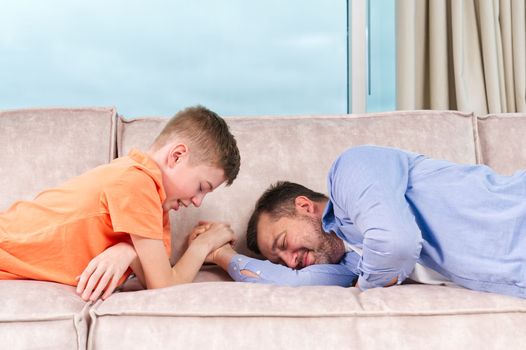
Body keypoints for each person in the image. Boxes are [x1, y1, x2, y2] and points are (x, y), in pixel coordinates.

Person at [199, 145, 526, 299]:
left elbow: (396, 244)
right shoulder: (351, 265)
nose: (291, 261)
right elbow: (294, 285)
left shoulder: (350, 171)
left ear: (305, 206)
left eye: (283, 244)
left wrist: (365, 288)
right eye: (280, 260)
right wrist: (220, 255)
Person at [0, 105, 240, 301]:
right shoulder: (138, 183)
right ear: (176, 156)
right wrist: (205, 243)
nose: (198, 202)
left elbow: (153, 277)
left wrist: (129, 250)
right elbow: (165, 286)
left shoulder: (156, 202)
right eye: (201, 187)